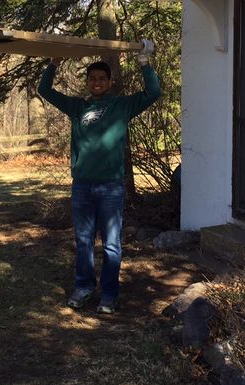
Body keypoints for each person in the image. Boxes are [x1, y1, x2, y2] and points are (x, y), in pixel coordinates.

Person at [37, 42, 160, 314]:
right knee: (83, 241)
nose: (96, 82)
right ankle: (83, 287)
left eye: (101, 79)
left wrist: (144, 62)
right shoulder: (77, 107)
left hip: (111, 187)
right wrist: (53, 63)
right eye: (92, 78)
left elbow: (154, 92)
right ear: (87, 82)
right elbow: (44, 90)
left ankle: (109, 294)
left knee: (112, 245)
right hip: (82, 185)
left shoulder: (122, 106)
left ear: (109, 81)